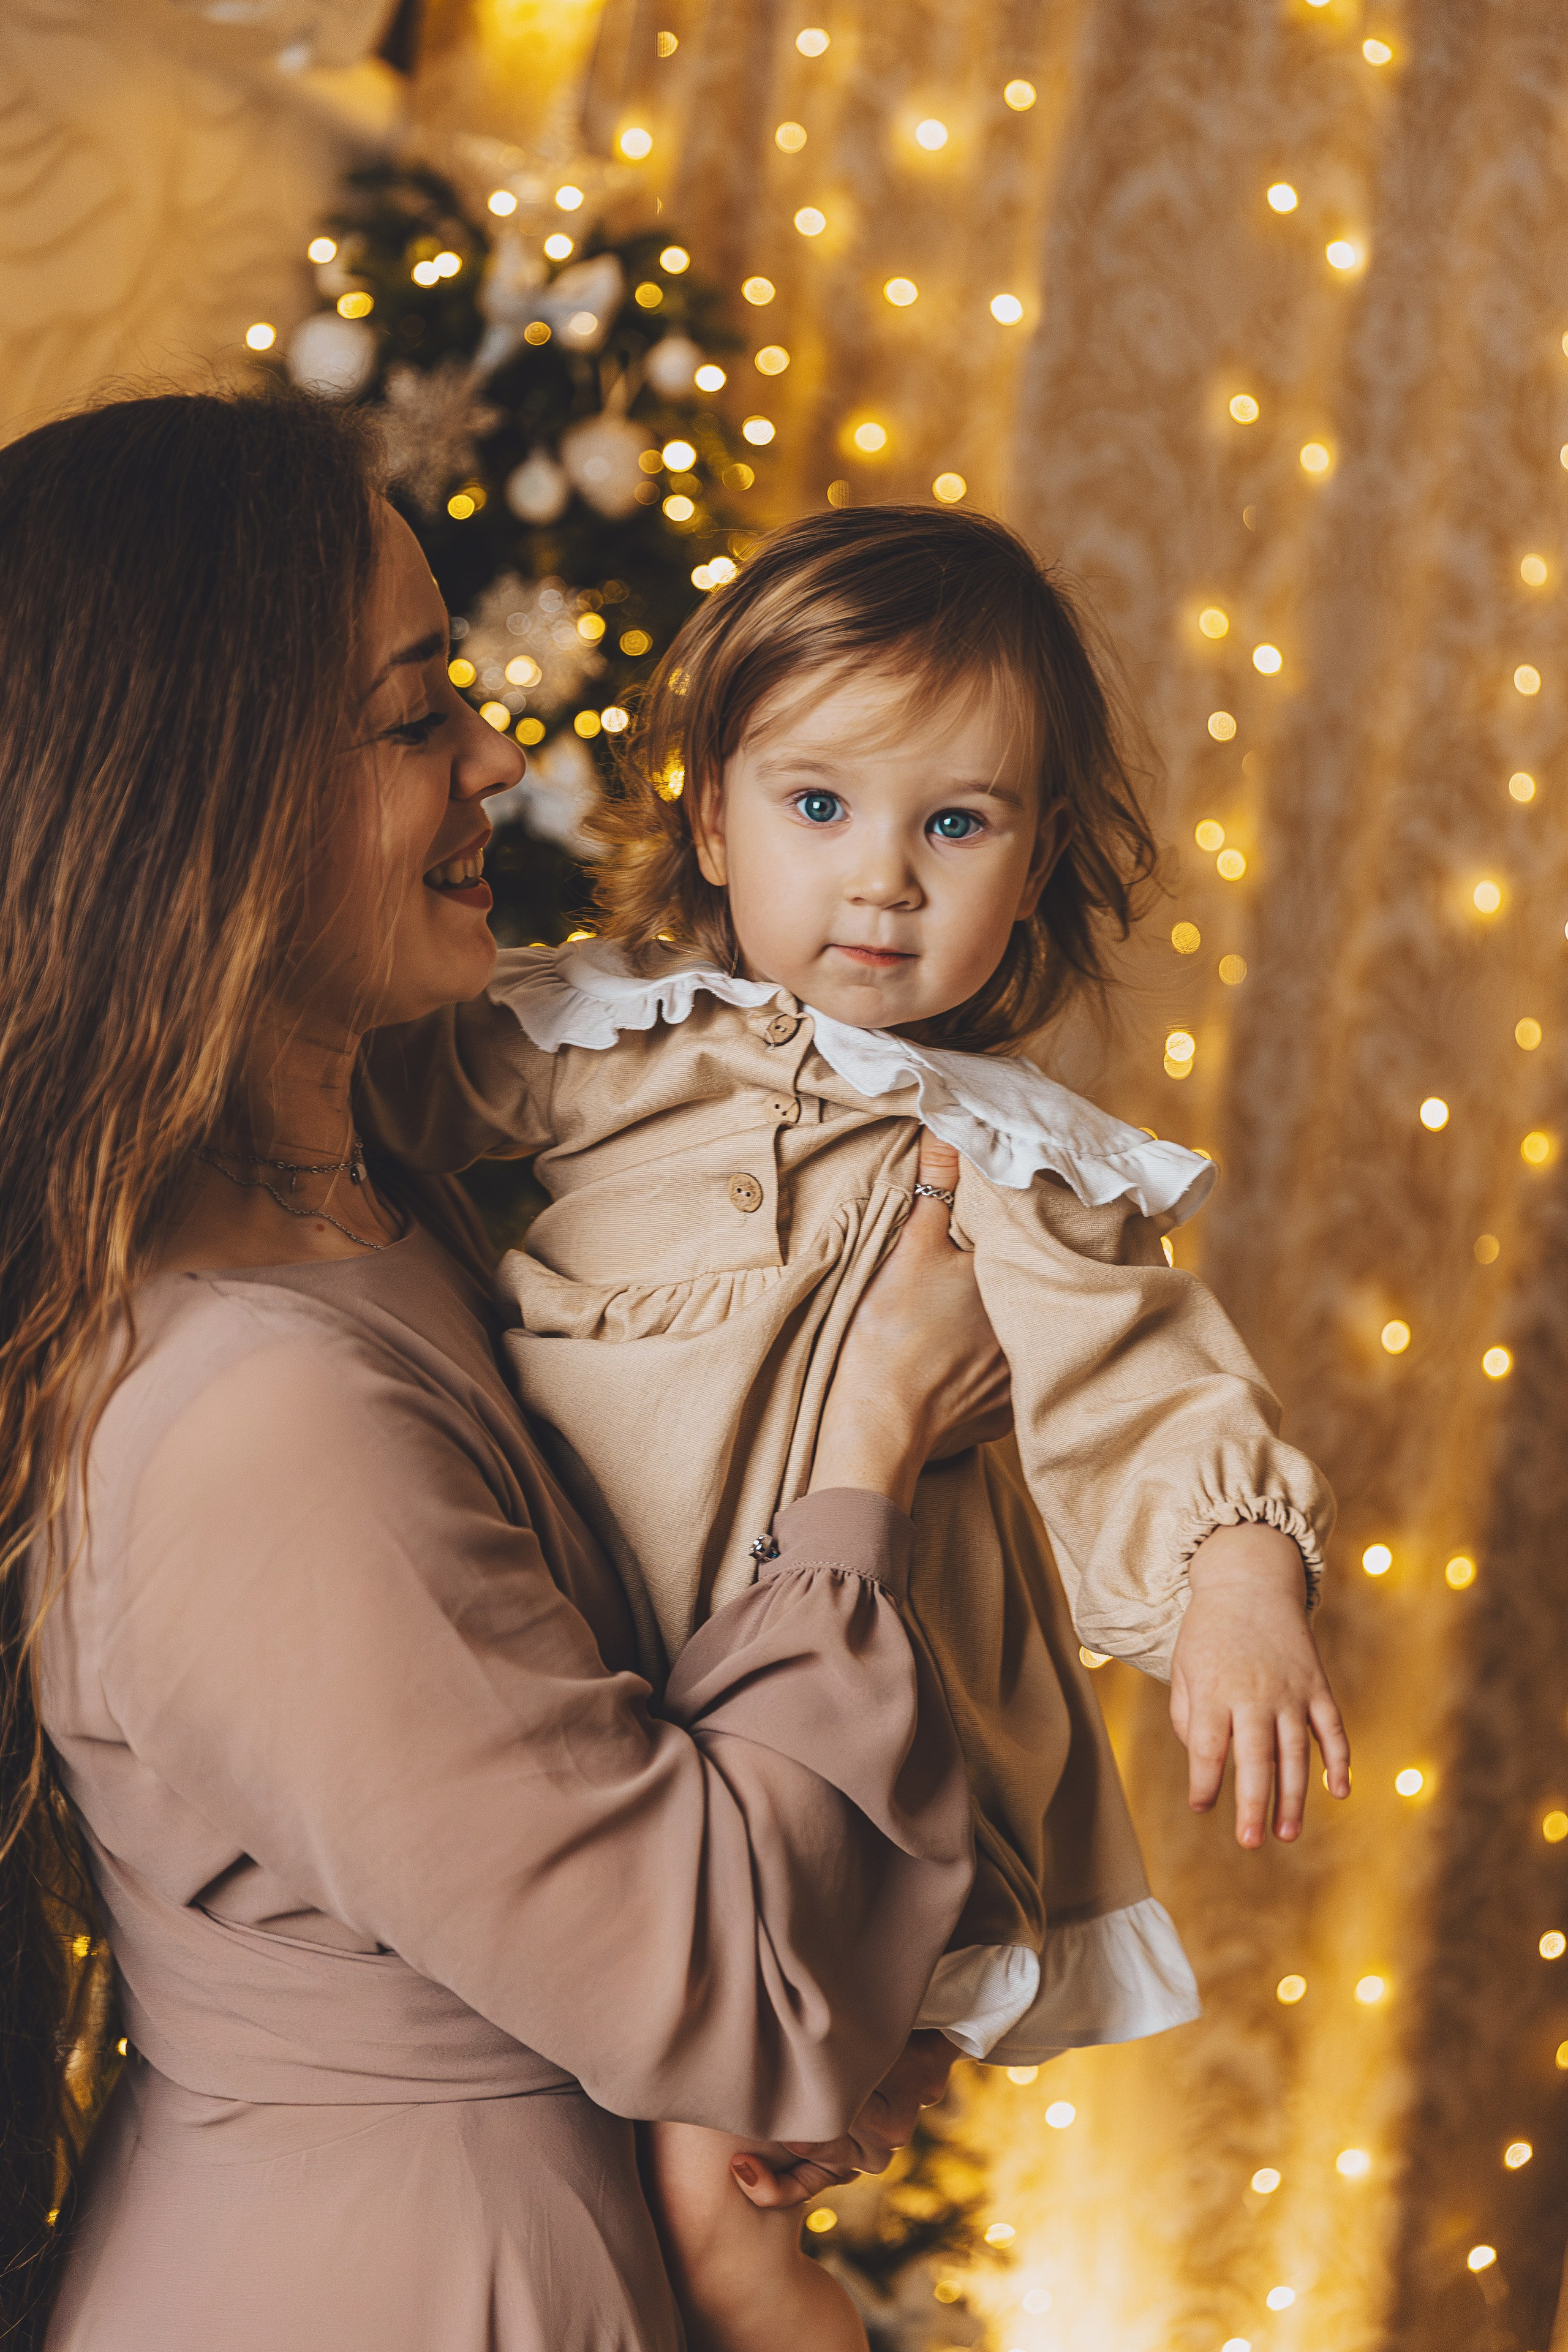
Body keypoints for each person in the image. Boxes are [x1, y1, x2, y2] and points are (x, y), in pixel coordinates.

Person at [0, 391, 1019, 2352]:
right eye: (411, 720)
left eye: (464, 686)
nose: (499, 753)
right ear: (198, 806)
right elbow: (731, 1982)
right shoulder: (252, 1417)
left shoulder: (383, 1199)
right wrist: (872, 1436)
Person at [363, 505, 1352, 2352]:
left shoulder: (1008, 1161)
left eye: (954, 826)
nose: (883, 880)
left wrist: (1236, 1582)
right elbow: (333, 1068)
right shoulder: (597, 1038)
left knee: (709, 2206)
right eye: (822, 808)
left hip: (833, 1761)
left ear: (1036, 857)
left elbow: (1151, 1387)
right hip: (584, 1691)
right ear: (715, 809)